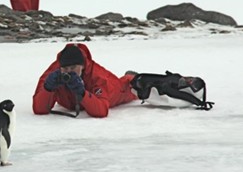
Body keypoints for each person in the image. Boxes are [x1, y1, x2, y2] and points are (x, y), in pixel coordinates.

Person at [32, 43, 213, 118]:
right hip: (78, 98)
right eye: (65, 69)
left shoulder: (97, 77)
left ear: (83, 66)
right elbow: (39, 109)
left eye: (73, 69)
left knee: (128, 88)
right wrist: (48, 88)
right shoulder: (53, 73)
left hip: (112, 90)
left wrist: (82, 93)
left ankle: (132, 78)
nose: (69, 73)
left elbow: (101, 111)